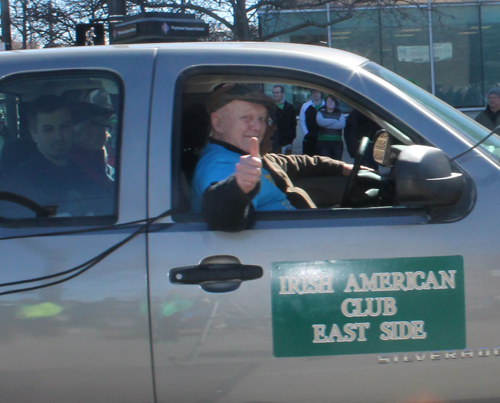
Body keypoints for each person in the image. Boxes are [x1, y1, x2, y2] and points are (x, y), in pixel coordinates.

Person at [191, 84, 366, 232]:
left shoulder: (240, 153)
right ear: (218, 123)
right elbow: (225, 218)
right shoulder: (223, 164)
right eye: (246, 117)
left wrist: (343, 168)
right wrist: (237, 187)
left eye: (262, 119)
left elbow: (289, 162)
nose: (258, 126)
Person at [1, 95, 114, 218]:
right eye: (48, 130)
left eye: (64, 127)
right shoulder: (23, 183)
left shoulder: (79, 169)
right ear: (34, 134)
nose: (59, 136)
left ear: (72, 128)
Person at [71, 101, 115, 186]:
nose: (108, 134)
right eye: (104, 125)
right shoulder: (79, 167)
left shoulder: (95, 160)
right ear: (87, 131)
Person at [315, 95, 346, 160]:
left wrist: (327, 124)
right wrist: (335, 120)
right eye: (328, 101)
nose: (330, 102)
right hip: (323, 144)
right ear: (325, 102)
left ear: (335, 103)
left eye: (332, 101)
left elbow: (342, 125)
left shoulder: (340, 113)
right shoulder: (320, 112)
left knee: (337, 164)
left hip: (337, 144)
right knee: (325, 165)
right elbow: (321, 122)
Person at [271, 85, 297, 154]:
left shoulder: (289, 107)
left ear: (282, 93)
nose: (275, 94)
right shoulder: (271, 107)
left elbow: (293, 123)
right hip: (275, 142)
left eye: (277, 92)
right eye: (274, 93)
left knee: (288, 161)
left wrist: (292, 137)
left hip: (287, 140)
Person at [299, 89, 324, 156]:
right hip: (308, 139)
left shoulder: (325, 105)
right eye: (313, 92)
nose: (315, 94)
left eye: (317, 92)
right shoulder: (305, 106)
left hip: (323, 139)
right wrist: (306, 133)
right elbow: (302, 120)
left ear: (321, 93)